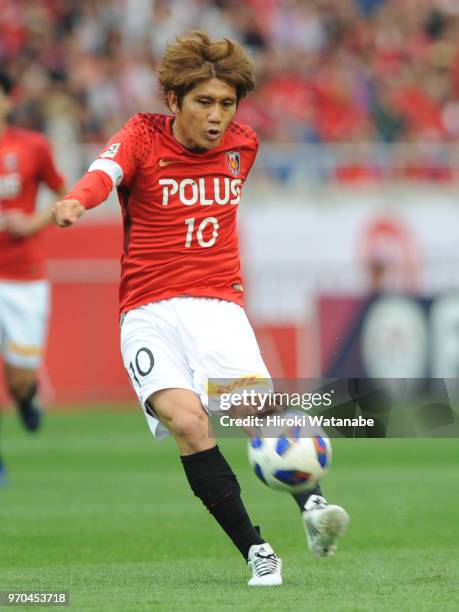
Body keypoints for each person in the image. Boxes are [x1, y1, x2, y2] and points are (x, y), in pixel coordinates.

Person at [52, 32, 349, 586]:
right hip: (146, 312)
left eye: (227, 103)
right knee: (189, 423)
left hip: (216, 306)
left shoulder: (244, 146)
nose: (216, 116)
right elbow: (105, 173)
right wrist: (76, 200)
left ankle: (313, 510)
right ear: (174, 100)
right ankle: (259, 552)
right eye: (203, 102)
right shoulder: (141, 136)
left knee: (255, 414)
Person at [0, 71, 67, 484]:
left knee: (21, 376)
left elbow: (66, 196)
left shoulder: (32, 146)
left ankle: (26, 399)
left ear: (9, 100)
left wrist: (33, 222)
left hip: (24, 279)